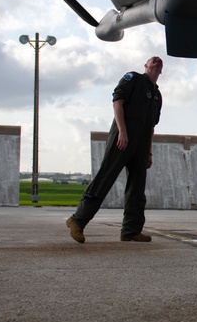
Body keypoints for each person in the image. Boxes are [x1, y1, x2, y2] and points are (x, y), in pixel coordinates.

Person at [66, 56, 163, 243]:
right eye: (153, 60)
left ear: (161, 71)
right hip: (123, 138)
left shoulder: (157, 95)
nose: (157, 61)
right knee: (105, 178)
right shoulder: (133, 78)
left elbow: (151, 127)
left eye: (160, 62)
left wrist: (149, 152)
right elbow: (117, 102)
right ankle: (77, 220)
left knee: (137, 188)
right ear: (146, 66)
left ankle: (131, 230)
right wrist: (122, 132)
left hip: (141, 146)